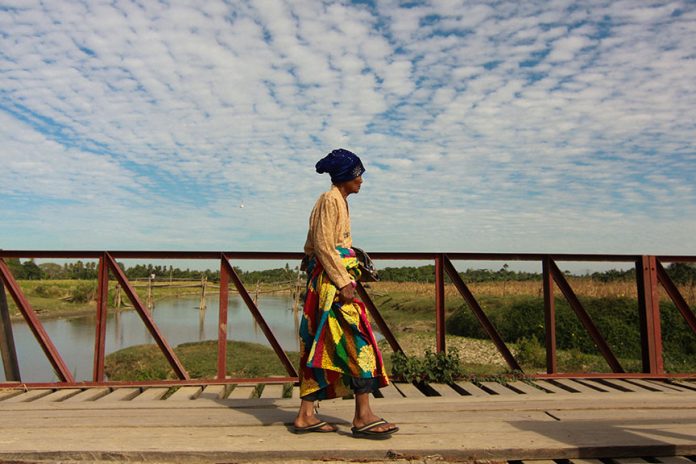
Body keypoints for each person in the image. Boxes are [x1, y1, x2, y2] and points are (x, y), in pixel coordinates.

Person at [293, 148, 399, 439]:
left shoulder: (337, 200)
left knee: (321, 343)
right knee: (360, 342)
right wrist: (343, 282)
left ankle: (305, 414)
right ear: (345, 176)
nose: (361, 180)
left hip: (330, 281)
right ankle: (363, 416)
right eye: (358, 174)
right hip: (332, 286)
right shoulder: (330, 200)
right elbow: (324, 245)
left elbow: (322, 245)